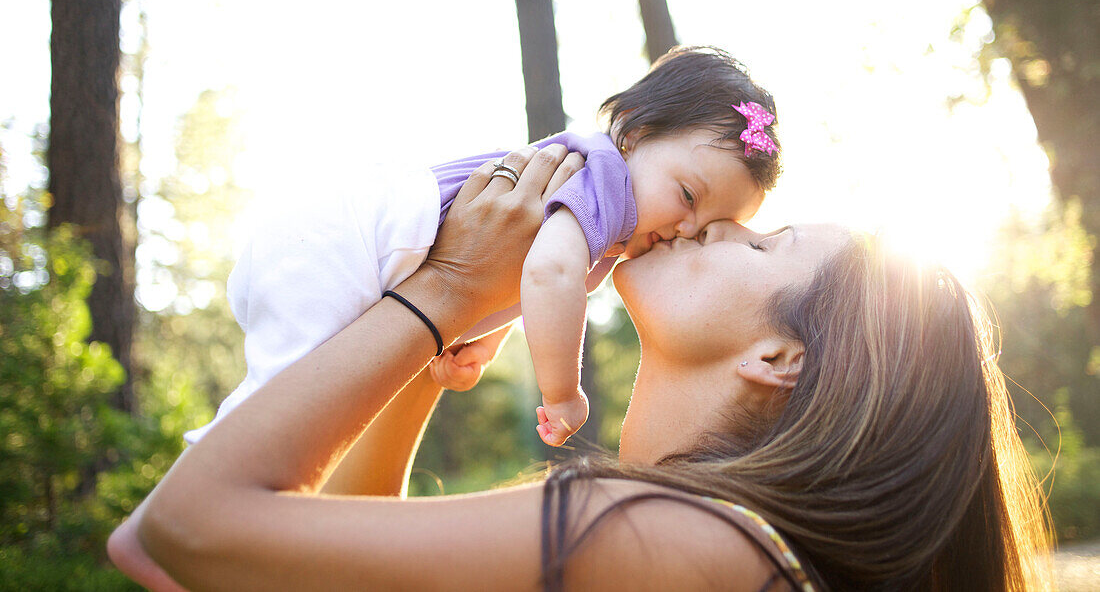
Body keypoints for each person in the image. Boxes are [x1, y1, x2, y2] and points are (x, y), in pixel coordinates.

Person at [110, 145, 1052, 590]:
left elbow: (188, 528)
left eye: (764, 245)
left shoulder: (665, 534)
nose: (719, 223)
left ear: (781, 356)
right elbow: (331, 557)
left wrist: (438, 294)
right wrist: (446, 328)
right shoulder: (713, 541)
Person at [185, 45, 781, 449]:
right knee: (287, 411)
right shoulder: (606, 181)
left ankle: (208, 513)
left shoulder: (606, 213)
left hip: (333, 246)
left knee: (307, 409)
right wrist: (562, 393)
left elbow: (517, 272)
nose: (686, 228)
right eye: (687, 195)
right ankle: (192, 509)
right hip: (342, 246)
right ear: (633, 131)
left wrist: (481, 335)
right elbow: (547, 276)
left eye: (706, 226)